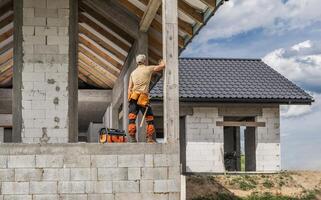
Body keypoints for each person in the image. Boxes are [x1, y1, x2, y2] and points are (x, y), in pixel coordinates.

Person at [127, 54, 165, 143]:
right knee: (149, 118)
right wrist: (162, 62)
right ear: (144, 61)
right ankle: (149, 139)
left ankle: (132, 139)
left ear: (137, 62)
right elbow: (162, 67)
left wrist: (130, 99)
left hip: (133, 97)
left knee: (132, 119)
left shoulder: (133, 73)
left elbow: (129, 88)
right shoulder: (148, 68)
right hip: (143, 98)